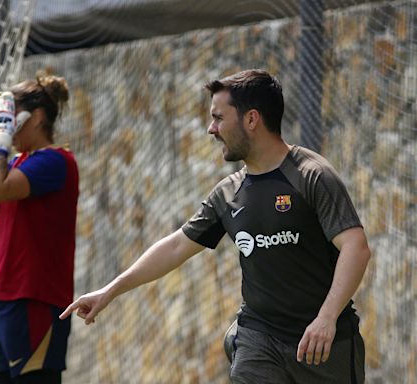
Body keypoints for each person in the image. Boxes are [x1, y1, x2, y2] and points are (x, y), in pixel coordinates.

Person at [60, 69, 371, 384]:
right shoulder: (228, 192)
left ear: (251, 119)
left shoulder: (312, 176)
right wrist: (109, 291)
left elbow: (356, 248)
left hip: (322, 345)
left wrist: (327, 318)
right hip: (258, 339)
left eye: (219, 118)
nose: (211, 129)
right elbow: (176, 246)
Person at [0, 72, 78, 384]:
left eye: (10, 116)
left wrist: (1, 137)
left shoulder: (56, 161)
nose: (4, 123)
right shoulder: (21, 162)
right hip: (4, 299)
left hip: (33, 299)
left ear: (35, 117)